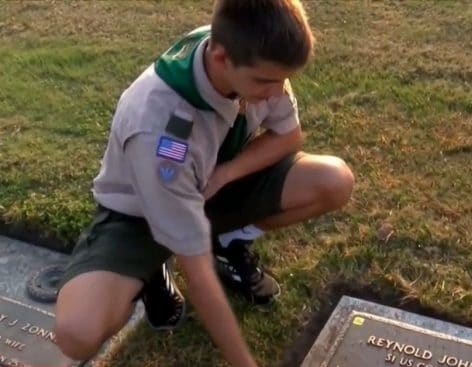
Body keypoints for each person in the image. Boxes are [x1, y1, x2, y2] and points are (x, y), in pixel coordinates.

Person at [54, 0, 354, 365]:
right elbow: (198, 278)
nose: (277, 93)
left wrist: (227, 173)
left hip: (212, 183)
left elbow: (288, 137)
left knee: (333, 180)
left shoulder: (252, 51)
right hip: (141, 215)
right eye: (265, 81)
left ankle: (226, 242)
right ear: (220, 58)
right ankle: (148, 268)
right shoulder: (160, 128)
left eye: (282, 80)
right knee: (77, 333)